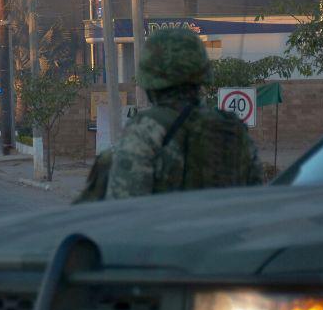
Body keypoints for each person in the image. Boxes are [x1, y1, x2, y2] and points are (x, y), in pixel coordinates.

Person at [83, 28, 262, 200]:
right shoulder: (232, 130)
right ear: (202, 76)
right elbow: (254, 201)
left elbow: (125, 208)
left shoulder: (146, 129)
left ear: (149, 82)